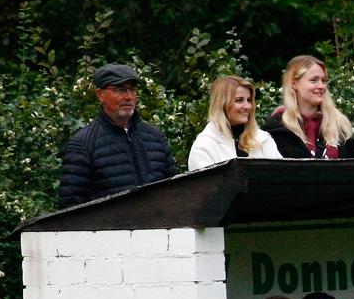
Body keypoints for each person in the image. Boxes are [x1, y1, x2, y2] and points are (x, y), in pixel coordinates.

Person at [59, 63, 177, 207]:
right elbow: (70, 209)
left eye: (132, 90)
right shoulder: (82, 145)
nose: (128, 96)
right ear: (100, 95)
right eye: (120, 90)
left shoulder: (156, 138)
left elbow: (175, 193)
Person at [264, 55, 354, 159]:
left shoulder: (339, 124)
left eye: (323, 81)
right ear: (294, 84)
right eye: (313, 80)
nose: (321, 86)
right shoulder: (278, 127)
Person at [188, 75, 281, 170]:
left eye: (249, 100)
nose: (247, 106)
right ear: (222, 104)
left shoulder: (264, 141)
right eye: (239, 100)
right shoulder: (204, 147)